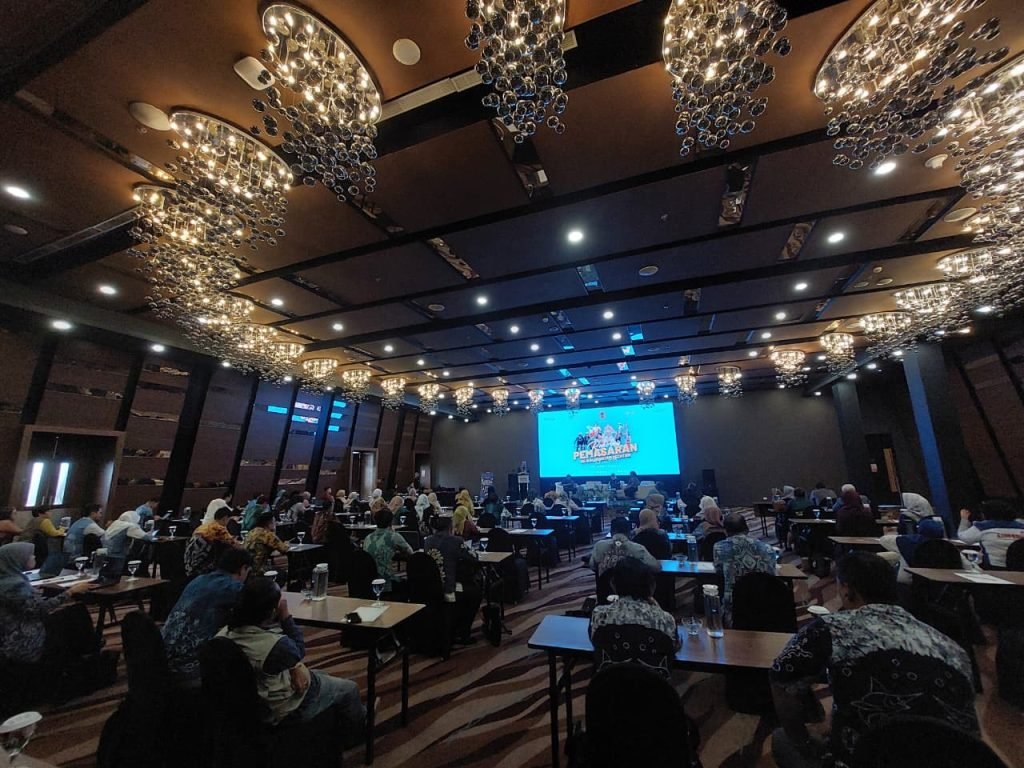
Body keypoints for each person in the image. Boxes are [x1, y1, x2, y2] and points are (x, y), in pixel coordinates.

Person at [770, 552, 978, 768]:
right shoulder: (953, 649)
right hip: (947, 759)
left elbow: (780, 680)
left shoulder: (831, 628)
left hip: (858, 759)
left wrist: (804, 741)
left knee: (781, 739)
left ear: (847, 590)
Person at [218, 577, 367, 743]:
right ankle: (357, 734)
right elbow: (298, 650)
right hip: (284, 709)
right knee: (350, 689)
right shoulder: (276, 646)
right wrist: (286, 616)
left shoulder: (223, 635)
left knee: (322, 675)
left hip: (252, 703)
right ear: (271, 611)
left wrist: (294, 667)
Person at [162, 548, 252, 685]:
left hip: (162, 655)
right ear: (243, 569)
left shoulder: (199, 579)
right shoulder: (232, 587)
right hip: (187, 666)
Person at [0, 542, 94, 666]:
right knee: (76, 613)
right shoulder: (16, 586)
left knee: (71, 615)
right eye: (30, 555)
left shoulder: (7, 580)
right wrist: (71, 592)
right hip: (25, 641)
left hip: (10, 634)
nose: (34, 557)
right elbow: (41, 610)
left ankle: (83, 653)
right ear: (17, 559)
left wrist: (33, 594)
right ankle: (87, 654)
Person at [589, 557, 680, 652]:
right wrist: (657, 607)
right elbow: (673, 648)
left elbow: (595, 642)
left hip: (612, 661)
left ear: (613, 585)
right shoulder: (666, 620)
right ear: (651, 586)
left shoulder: (599, 615)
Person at [423, 516, 481, 645]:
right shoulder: (455, 541)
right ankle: (463, 633)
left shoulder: (427, 541)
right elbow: (473, 557)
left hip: (430, 586)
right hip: (449, 586)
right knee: (475, 593)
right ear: (450, 527)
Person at [713, 513, 777, 622]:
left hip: (735, 605)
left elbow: (719, 572)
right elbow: (772, 572)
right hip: (766, 600)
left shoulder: (720, 547)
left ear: (726, 531)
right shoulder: (768, 548)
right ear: (747, 529)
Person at [958, 499, 1024, 568]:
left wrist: (964, 519)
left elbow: (963, 537)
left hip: (992, 568)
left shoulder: (982, 527)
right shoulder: (1022, 526)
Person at [362, 508, 413, 594]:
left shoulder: (368, 538)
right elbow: (411, 552)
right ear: (391, 522)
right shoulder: (394, 536)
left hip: (368, 579)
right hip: (387, 580)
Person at [590, 517, 661, 577]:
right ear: (629, 532)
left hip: (605, 588)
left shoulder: (599, 545)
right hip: (631, 587)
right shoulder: (638, 549)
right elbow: (656, 568)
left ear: (611, 532)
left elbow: (592, 566)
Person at [185, 507, 240, 578]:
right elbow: (234, 544)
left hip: (189, 565)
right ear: (225, 518)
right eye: (229, 520)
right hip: (200, 567)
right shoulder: (218, 529)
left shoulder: (203, 527)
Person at [16, 509, 66, 577]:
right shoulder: (45, 520)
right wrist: (63, 528)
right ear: (40, 514)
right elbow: (53, 533)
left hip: (25, 544)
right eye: (48, 511)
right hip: (35, 546)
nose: (51, 513)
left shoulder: (33, 520)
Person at [244, 511, 291, 575]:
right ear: (269, 523)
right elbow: (284, 549)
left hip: (247, 569)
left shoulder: (252, 532)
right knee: (283, 574)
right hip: (259, 569)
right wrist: (286, 544)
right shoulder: (268, 535)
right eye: (274, 522)